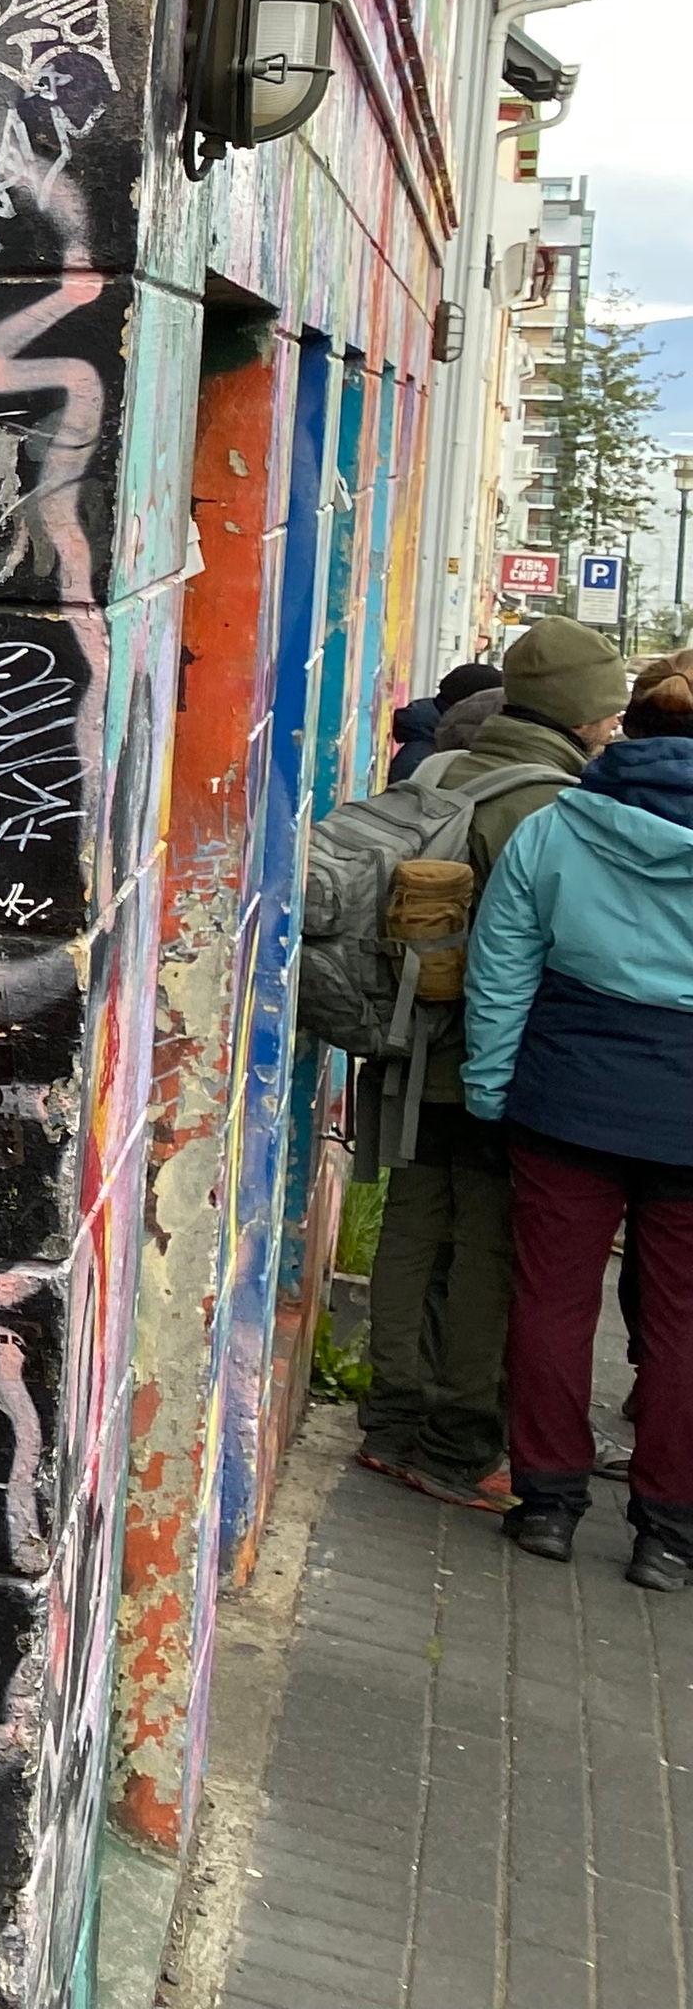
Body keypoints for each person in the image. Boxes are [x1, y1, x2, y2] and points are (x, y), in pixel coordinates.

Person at [358, 616, 628, 1506]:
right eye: (610, 711)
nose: (615, 727)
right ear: (580, 714)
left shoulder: (443, 768)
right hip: (487, 1055)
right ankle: (456, 1442)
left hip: (405, 1039)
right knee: (485, 1250)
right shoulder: (553, 807)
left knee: (409, 1228)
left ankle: (389, 1422)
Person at [469, 666, 693, 1584]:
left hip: (566, 1097)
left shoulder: (554, 830)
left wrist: (491, 1089)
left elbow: (502, 971)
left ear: (623, 732)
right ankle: (669, 1535)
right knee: (684, 1324)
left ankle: (549, 1504)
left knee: (554, 1301)